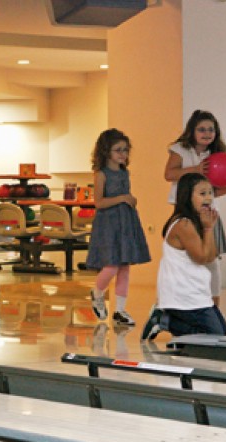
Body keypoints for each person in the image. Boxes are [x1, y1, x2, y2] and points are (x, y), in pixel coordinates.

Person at [164, 110, 226, 308]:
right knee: (184, 261)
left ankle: (214, 305)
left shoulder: (217, 154)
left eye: (211, 129)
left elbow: (212, 193)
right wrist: (196, 170)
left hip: (208, 215)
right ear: (192, 131)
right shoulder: (180, 149)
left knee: (212, 262)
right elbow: (169, 174)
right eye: (201, 129)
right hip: (185, 213)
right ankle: (170, 305)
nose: (207, 133)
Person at [86, 128, 150, 326]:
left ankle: (120, 310)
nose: (123, 154)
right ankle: (97, 292)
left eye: (125, 150)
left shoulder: (124, 172)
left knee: (124, 266)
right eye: (118, 150)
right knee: (112, 265)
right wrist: (122, 198)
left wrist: (130, 200)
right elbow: (99, 202)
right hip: (109, 223)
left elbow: (126, 194)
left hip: (126, 221)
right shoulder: (101, 174)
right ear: (106, 152)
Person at [156, 173, 226, 337]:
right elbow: (202, 258)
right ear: (187, 196)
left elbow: (211, 256)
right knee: (214, 335)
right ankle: (164, 321)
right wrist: (208, 229)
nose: (209, 198)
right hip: (183, 294)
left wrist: (208, 227)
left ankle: (168, 320)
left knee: (223, 331)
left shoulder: (198, 221)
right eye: (202, 193)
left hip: (196, 292)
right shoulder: (184, 224)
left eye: (210, 193)